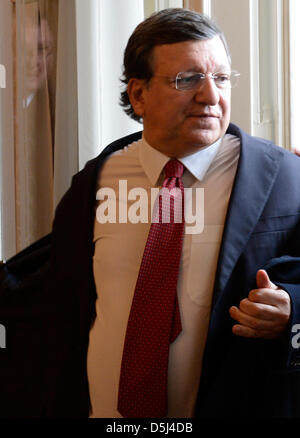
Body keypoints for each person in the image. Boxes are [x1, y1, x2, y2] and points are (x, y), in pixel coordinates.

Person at [3, 8, 300, 418]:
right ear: (138, 94)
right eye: (188, 79)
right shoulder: (96, 181)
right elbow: (59, 301)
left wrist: (291, 309)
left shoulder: (285, 178)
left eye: (221, 78)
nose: (211, 96)